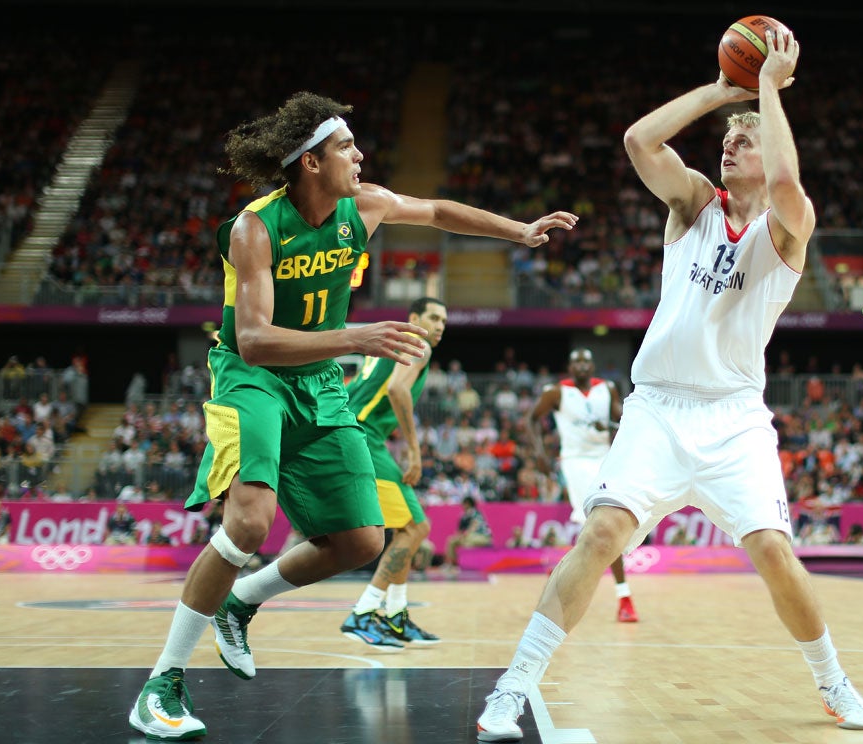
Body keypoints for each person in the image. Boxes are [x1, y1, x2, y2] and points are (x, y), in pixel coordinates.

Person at [127, 90, 576, 741]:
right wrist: (355, 339)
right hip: (252, 378)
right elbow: (253, 339)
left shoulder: (362, 207)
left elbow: (439, 210)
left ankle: (240, 602)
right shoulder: (256, 227)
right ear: (310, 162)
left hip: (318, 381)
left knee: (362, 541)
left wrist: (518, 229)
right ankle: (160, 684)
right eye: (346, 147)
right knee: (250, 521)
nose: (360, 155)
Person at [477, 28, 863, 742]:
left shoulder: (789, 227)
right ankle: (513, 687)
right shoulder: (694, 204)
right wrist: (725, 94)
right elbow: (639, 141)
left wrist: (767, 95)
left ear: (770, 149)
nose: (730, 147)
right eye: (727, 141)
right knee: (599, 535)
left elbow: (785, 185)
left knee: (775, 553)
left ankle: (832, 680)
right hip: (658, 410)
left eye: (744, 141)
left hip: (733, 418)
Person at [338, 296, 449, 651]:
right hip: (363, 437)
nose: (440, 324)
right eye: (433, 317)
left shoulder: (388, 345)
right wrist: (415, 451)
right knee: (417, 528)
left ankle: (396, 615)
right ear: (414, 317)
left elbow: (360, 388)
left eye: (444, 320)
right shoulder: (418, 343)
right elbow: (397, 388)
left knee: (410, 528)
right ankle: (364, 611)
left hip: (353, 432)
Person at [525, 347, 636, 622]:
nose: (583, 366)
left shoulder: (607, 388)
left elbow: (622, 422)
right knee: (600, 525)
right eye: (577, 362)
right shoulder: (556, 392)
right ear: (570, 368)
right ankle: (624, 598)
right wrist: (539, 453)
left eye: (587, 361)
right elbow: (531, 419)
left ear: (593, 365)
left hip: (604, 459)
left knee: (604, 527)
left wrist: (609, 427)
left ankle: (560, 583)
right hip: (574, 462)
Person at [443, 494, 493, 569]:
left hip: (483, 537)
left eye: (463, 504)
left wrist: (465, 535)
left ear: (468, 504)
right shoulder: (463, 516)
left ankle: (465, 565)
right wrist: (458, 537)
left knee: (467, 545)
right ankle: (451, 563)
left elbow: (474, 525)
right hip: (469, 537)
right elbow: (459, 531)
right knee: (451, 541)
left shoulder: (475, 513)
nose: (462, 506)